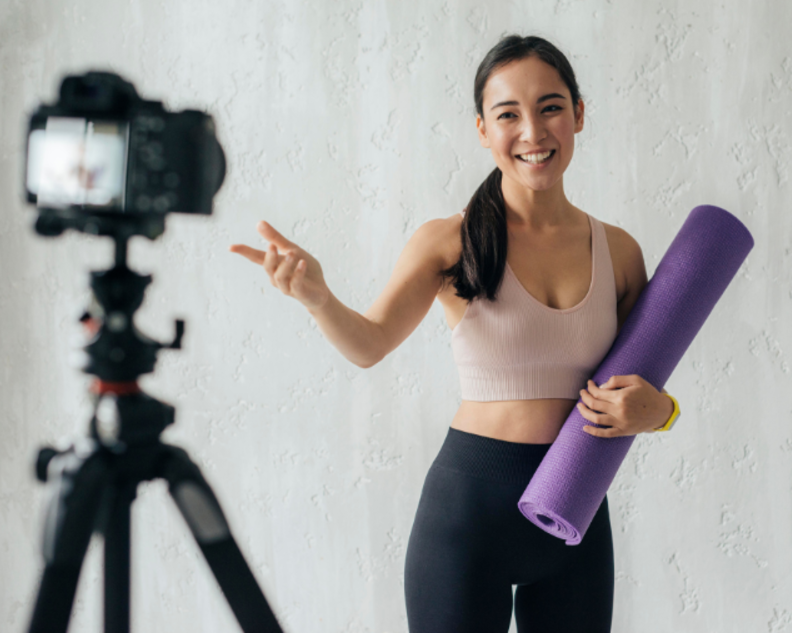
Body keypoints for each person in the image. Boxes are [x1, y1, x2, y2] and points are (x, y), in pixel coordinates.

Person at [230, 34, 678, 633]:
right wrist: (317, 297)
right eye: (508, 115)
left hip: (577, 507)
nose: (532, 132)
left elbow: (640, 387)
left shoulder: (619, 251)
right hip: (468, 518)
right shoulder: (450, 242)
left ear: (578, 113)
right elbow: (368, 344)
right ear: (482, 130)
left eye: (549, 107)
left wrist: (662, 412)